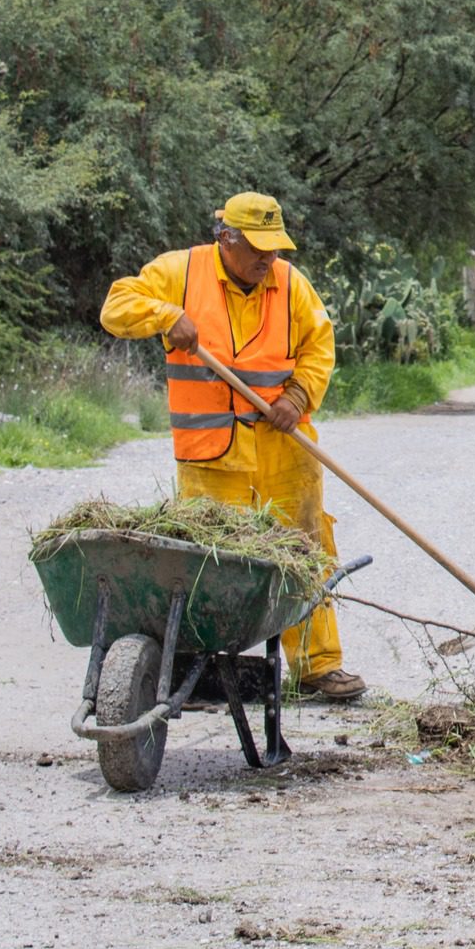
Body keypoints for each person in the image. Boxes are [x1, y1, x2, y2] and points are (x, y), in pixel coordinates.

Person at [99, 192, 364, 700]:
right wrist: (162, 316)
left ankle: (316, 667)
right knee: (210, 564)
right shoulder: (180, 272)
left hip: (284, 449)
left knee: (303, 549)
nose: (269, 260)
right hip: (212, 454)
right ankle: (200, 670)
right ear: (226, 238)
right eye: (259, 249)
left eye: (276, 249)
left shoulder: (290, 284)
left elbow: (319, 345)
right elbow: (116, 307)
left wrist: (298, 394)